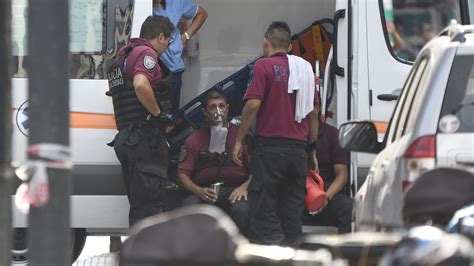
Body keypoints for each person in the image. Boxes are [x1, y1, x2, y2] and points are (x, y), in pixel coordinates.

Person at [233, 21, 319, 246]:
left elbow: (252, 105)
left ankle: (270, 258)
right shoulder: (306, 70)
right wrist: (312, 149)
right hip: (298, 152)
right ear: (290, 46)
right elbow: (313, 114)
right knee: (292, 214)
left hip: (270, 151)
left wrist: (239, 140)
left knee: (264, 212)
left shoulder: (262, 67)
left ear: (265, 41)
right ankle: (293, 256)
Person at [107, 15, 175, 227]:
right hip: (144, 139)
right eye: (169, 41)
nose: (168, 47)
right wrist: (158, 113)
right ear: (161, 37)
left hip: (127, 139)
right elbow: (140, 84)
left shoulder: (122, 58)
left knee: (139, 205)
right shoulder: (147, 53)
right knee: (150, 209)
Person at [177, 89, 250, 234]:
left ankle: (239, 252)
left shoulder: (241, 135)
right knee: (189, 208)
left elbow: (258, 169)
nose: (218, 111)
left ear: (227, 108)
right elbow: (182, 175)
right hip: (205, 190)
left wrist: (244, 188)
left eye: (221, 106)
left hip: (234, 189)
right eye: (212, 107)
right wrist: (199, 191)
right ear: (205, 112)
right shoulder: (195, 139)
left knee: (242, 210)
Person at [153, 0, 208, 116]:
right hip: (153, 68)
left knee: (171, 115)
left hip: (173, 69)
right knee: (155, 116)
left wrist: (185, 36)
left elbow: (202, 14)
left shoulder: (176, 2)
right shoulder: (143, 5)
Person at [304, 118, 353, 234]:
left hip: (326, 189)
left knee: (349, 208)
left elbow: (342, 174)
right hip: (297, 190)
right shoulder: (294, 133)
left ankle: (343, 250)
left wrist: (326, 197)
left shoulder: (332, 134)